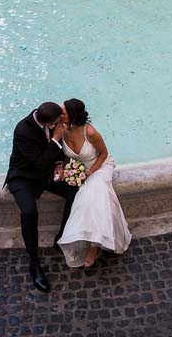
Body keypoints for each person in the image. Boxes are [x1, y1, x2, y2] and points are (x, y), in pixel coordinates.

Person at [4, 102, 77, 293]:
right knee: (29, 212)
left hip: (45, 172)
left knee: (75, 192)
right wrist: (56, 139)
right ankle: (34, 263)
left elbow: (54, 153)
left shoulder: (49, 118)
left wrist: (60, 163)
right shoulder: (22, 131)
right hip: (24, 176)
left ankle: (61, 238)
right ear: (47, 122)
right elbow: (38, 162)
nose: (60, 125)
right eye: (56, 123)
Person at [57, 99, 131, 269]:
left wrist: (89, 173)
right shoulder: (62, 130)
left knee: (94, 193)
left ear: (73, 116)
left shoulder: (89, 132)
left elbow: (104, 154)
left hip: (100, 166)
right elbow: (67, 155)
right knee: (86, 196)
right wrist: (68, 169)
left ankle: (94, 246)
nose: (60, 115)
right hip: (81, 169)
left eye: (64, 112)